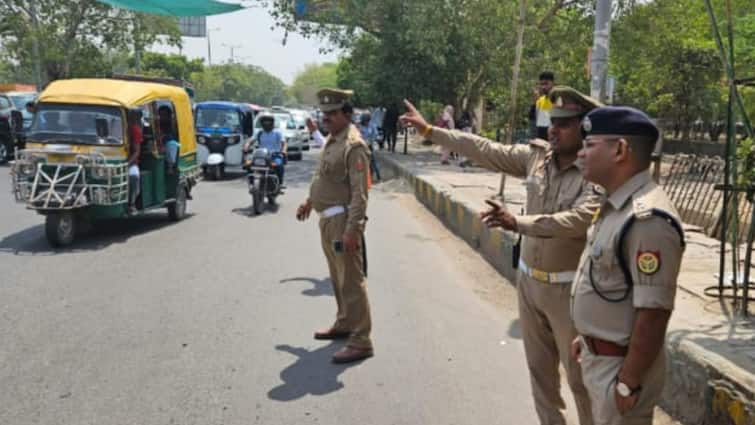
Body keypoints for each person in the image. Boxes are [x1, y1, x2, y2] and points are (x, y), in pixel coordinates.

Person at [400, 86, 602, 425]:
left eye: (564, 123)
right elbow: (484, 148)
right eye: (552, 122)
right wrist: (430, 131)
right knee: (540, 377)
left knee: (581, 380)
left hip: (569, 293)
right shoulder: (537, 157)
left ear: (585, 127)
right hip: (528, 284)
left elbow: (580, 219)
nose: (553, 130)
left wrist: (517, 222)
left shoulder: (595, 172)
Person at [571, 106, 685, 425]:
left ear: (619, 150)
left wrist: (628, 382)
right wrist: (588, 335)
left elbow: (653, 312)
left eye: (590, 145)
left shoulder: (647, 219)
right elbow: (609, 283)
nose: (581, 153)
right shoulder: (615, 206)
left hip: (618, 371)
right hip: (601, 359)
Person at [296, 88, 374, 364]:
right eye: (324, 113)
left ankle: (361, 340)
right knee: (338, 279)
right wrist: (309, 201)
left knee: (352, 281)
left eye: (332, 113)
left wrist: (352, 230)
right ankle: (344, 323)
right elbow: (325, 178)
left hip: (342, 221)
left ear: (346, 113)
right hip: (327, 219)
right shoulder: (333, 140)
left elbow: (360, 194)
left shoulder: (354, 146)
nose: (326, 118)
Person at [244, 113, 287, 186]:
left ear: (272, 122)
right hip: (261, 156)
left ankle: (279, 183)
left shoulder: (277, 132)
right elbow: (250, 141)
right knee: (248, 165)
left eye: (269, 121)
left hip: (274, 155)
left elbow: (284, 143)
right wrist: (246, 147)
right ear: (262, 123)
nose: (267, 123)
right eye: (265, 121)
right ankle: (252, 181)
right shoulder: (259, 132)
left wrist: (284, 150)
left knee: (279, 166)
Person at [529, 71, 555, 140]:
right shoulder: (540, 100)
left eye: (546, 84)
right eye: (541, 84)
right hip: (540, 138)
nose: (543, 87)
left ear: (552, 83)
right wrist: (534, 102)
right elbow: (532, 118)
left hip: (552, 138)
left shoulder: (557, 99)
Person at [127, 109, 143, 215]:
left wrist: (127, 163)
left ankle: (132, 204)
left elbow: (137, 151)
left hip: (130, 163)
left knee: (134, 176)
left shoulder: (135, 130)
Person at [358, 112, 381, 182]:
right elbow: (358, 135)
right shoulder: (360, 126)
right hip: (361, 146)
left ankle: (378, 176)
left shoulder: (372, 126)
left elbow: (375, 134)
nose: (366, 122)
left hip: (369, 146)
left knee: (373, 162)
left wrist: (371, 140)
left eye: (366, 120)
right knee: (361, 162)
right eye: (364, 121)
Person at [158, 105, 179, 173]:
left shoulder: (173, 124)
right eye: (160, 115)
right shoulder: (158, 124)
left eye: (164, 115)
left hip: (171, 143)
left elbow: (172, 135)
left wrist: (163, 136)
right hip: (160, 143)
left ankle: (170, 167)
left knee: (171, 144)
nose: (162, 117)